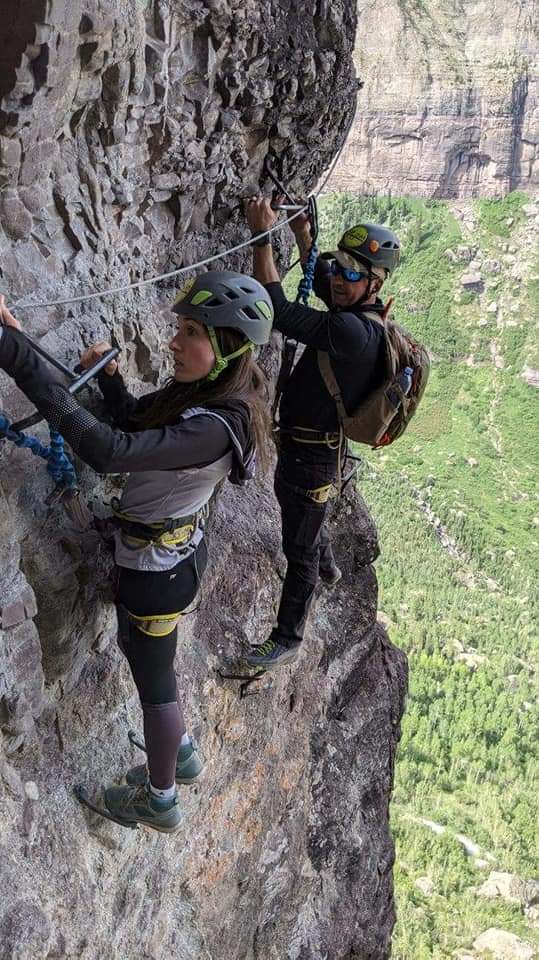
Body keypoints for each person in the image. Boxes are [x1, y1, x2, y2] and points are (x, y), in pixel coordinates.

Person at [0, 273, 273, 832]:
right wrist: (112, 384)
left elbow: (109, 449)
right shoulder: (207, 392)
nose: (174, 341)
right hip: (167, 560)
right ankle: (183, 751)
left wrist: (9, 352)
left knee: (156, 689)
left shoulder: (217, 427)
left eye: (190, 331)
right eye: (180, 328)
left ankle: (161, 798)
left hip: (157, 574)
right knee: (149, 662)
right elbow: (132, 423)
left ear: (225, 347)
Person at [244, 199, 401, 670]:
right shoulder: (356, 311)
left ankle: (288, 636)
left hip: (310, 460)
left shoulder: (354, 333)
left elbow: (276, 309)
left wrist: (261, 234)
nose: (339, 277)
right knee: (307, 527)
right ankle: (328, 564)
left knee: (299, 549)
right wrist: (302, 236)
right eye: (342, 266)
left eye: (353, 273)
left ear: (374, 284)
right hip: (311, 449)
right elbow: (325, 273)